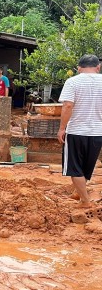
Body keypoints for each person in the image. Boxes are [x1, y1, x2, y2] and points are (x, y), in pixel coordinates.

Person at [57, 54, 102, 208]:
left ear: (78, 68)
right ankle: (78, 192)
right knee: (85, 167)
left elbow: (68, 106)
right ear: (98, 67)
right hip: (97, 133)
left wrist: (62, 128)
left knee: (74, 168)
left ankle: (85, 201)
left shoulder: (72, 81)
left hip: (76, 131)